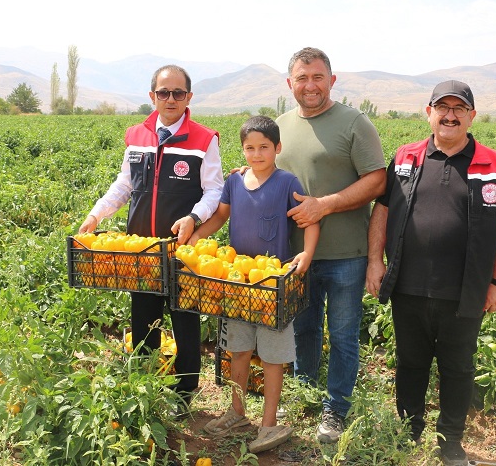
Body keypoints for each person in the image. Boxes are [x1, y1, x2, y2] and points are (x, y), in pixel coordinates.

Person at [366, 80, 496, 466]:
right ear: (429, 111)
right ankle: (408, 433)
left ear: (471, 116)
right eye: (442, 107)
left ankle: (450, 441)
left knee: (458, 368)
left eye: (458, 108)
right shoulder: (405, 157)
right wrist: (374, 262)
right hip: (409, 286)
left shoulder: (494, 166)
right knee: (410, 363)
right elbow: (381, 211)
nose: (449, 115)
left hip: (464, 291)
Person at [79, 64, 224, 417]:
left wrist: (193, 218)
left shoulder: (204, 139)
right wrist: (97, 214)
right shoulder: (137, 135)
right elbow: (124, 185)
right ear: (152, 96)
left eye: (178, 93)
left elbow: (214, 190)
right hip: (140, 247)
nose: (170, 99)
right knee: (143, 315)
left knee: (183, 316)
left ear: (189, 97)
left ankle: (185, 390)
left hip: (181, 248)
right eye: (163, 92)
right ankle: (144, 381)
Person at [275, 47, 386, 443]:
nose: (310, 85)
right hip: (296, 255)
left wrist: (325, 205)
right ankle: (304, 391)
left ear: (331, 81)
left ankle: (336, 408)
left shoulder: (354, 123)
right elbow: (267, 174)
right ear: (290, 84)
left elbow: (377, 180)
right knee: (301, 329)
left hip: (346, 254)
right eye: (302, 78)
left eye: (318, 77)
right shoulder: (279, 126)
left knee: (342, 335)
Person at [190, 115, 320, 453]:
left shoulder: (286, 182)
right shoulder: (235, 182)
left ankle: (268, 422)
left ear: (278, 148)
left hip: (271, 285)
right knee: (239, 348)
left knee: (273, 356)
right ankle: (236, 411)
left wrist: (306, 255)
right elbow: (220, 216)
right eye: (250, 147)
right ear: (242, 150)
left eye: (264, 147)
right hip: (237, 281)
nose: (257, 154)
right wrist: (195, 238)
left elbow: (310, 218)